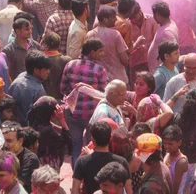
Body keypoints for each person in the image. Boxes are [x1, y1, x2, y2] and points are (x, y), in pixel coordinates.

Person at [60, 38, 108, 166]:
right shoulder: (99, 70)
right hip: (92, 114)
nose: (103, 54)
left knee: (76, 144)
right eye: (100, 51)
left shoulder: (69, 65)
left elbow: (63, 88)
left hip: (73, 112)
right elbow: (104, 93)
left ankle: (77, 173)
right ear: (92, 52)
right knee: (90, 145)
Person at [72, 121, 131, 194]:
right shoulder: (122, 162)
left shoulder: (82, 161)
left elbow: (74, 190)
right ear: (110, 138)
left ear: (93, 140)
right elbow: (129, 191)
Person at [86, 6, 130, 83]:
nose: (116, 19)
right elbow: (124, 60)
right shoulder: (115, 34)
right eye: (113, 17)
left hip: (99, 80)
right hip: (118, 80)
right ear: (105, 19)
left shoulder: (89, 35)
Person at [9, 50, 50, 126]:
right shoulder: (36, 89)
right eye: (46, 69)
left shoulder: (21, 76)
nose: (48, 72)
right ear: (36, 70)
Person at [0, 121, 40, 192]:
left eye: (9, 141)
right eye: (2, 140)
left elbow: (14, 187)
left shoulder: (30, 159)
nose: (5, 145)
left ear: (20, 141)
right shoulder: (0, 155)